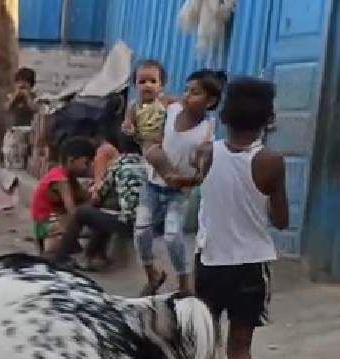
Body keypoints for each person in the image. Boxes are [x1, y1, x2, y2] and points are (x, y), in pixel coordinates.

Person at [186, 76, 288, 359]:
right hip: (251, 264)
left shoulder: (206, 153)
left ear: (226, 114)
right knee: (240, 348)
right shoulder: (271, 162)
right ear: (268, 118)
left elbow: (195, 184)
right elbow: (280, 220)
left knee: (206, 340)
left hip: (211, 261)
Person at [134, 68, 225, 295]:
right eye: (186, 90)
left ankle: (185, 284)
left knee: (173, 235)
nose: (186, 95)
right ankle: (152, 274)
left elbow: (202, 172)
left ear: (211, 100)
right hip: (153, 184)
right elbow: (149, 140)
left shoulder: (207, 131)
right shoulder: (170, 110)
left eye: (194, 93)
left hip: (178, 192)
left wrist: (187, 179)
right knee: (141, 230)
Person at [59, 132, 147, 270]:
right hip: (147, 221)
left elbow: (98, 195)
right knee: (103, 213)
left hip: (129, 223)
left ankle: (61, 256)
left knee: (83, 213)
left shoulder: (118, 165)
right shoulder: (146, 163)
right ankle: (91, 256)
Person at [29, 137, 96, 264]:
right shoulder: (60, 180)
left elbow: (85, 197)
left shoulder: (68, 176)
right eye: (86, 163)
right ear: (72, 160)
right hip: (48, 226)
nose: (88, 168)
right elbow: (73, 211)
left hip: (51, 223)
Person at [123, 59, 170, 149]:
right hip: (142, 146)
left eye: (153, 81)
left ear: (161, 85)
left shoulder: (164, 101)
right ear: (135, 85)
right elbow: (128, 122)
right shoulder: (133, 105)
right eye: (142, 82)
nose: (148, 85)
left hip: (162, 145)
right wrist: (128, 127)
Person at [2, 67, 39, 169]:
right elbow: (6, 108)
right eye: (19, 82)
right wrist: (15, 96)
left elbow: (36, 109)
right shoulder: (12, 97)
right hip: (13, 132)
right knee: (10, 156)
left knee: (24, 158)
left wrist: (27, 97)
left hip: (27, 132)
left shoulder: (34, 97)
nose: (22, 85)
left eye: (25, 82)